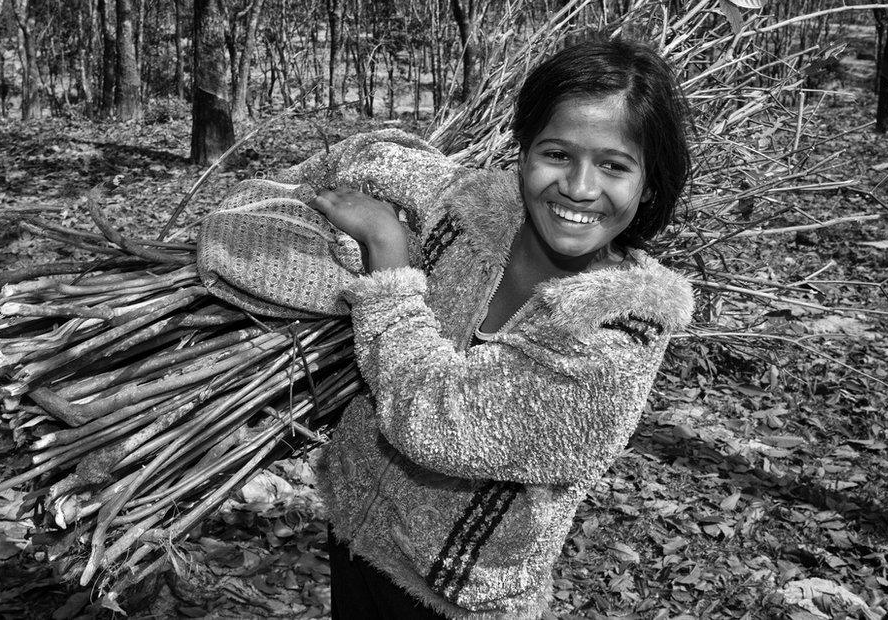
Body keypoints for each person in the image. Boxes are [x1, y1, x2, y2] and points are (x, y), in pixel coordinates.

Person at [273, 36, 694, 619]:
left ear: (648, 184)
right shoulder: (478, 209)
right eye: (556, 154)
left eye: (614, 166)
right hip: (353, 534)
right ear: (522, 153)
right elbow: (377, 160)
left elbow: (437, 419)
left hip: (457, 598)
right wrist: (286, 195)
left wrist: (387, 252)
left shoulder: (620, 334)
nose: (579, 187)